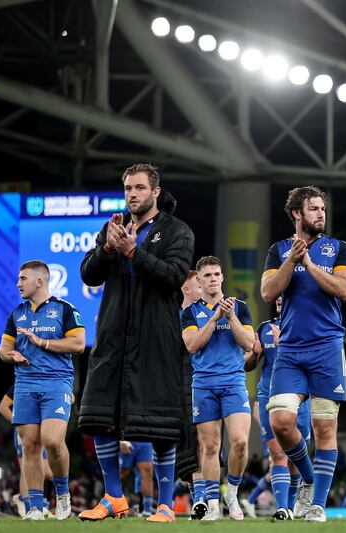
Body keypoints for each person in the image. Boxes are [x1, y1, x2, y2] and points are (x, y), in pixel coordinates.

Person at [78, 163, 195, 523]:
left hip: (156, 336)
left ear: (156, 192)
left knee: (160, 421)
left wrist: (133, 252)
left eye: (140, 188)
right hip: (113, 334)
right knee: (97, 414)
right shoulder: (113, 227)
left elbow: (174, 276)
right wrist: (109, 250)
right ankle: (114, 497)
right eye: (128, 187)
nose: (132, 194)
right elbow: (88, 274)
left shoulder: (178, 231)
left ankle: (164, 505)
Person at [261, 185, 346, 522]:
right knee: (281, 422)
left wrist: (310, 264)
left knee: (324, 428)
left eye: (322, 209)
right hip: (289, 349)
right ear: (297, 214)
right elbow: (268, 291)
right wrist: (292, 260)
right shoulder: (279, 250)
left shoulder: (340, 248)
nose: (320, 214)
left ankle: (317, 504)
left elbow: (345, 290)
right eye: (313, 209)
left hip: (327, 348)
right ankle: (310, 479)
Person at [0, 260, 86, 520]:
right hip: (25, 384)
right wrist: (11, 355)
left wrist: (43, 342)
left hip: (57, 382)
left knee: (52, 440)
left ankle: (62, 493)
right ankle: (36, 505)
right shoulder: (17, 313)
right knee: (30, 445)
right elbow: (4, 349)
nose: (18, 284)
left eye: (22, 279)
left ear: (39, 281)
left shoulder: (65, 309)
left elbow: (79, 343)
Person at [181, 256, 255, 521]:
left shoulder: (241, 307)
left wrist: (231, 317)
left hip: (234, 381)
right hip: (204, 384)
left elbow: (249, 344)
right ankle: (212, 504)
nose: (213, 279)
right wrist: (214, 318)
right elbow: (192, 345)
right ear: (198, 281)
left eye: (216, 274)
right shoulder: (190, 313)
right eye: (207, 276)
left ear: (223, 277)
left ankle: (232, 493)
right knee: (210, 447)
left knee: (240, 441)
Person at [244, 296, 312, 520]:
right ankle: (283, 508)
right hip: (267, 394)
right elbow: (248, 366)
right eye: (278, 297)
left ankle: (294, 504)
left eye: (286, 294)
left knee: (294, 456)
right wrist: (254, 353)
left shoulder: (305, 326)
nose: (281, 299)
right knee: (277, 454)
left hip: (297, 395)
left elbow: (310, 361)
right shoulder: (264, 328)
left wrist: (283, 345)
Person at [176, 270, 206, 520]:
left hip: (209, 381)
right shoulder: (172, 319)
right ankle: (199, 496)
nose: (204, 285)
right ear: (187, 289)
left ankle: (206, 495)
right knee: (190, 441)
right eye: (199, 282)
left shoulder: (210, 313)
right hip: (183, 384)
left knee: (208, 440)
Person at [0, 384, 53, 517]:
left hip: (41, 431)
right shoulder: (21, 383)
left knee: (48, 473)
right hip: (25, 431)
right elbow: (3, 407)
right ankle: (29, 502)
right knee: (27, 467)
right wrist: (19, 423)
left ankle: (30, 501)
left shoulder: (48, 381)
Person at [118, 440, 154, 517]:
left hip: (145, 439)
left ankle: (147, 509)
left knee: (147, 472)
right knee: (122, 473)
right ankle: (111, 503)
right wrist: (121, 440)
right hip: (128, 438)